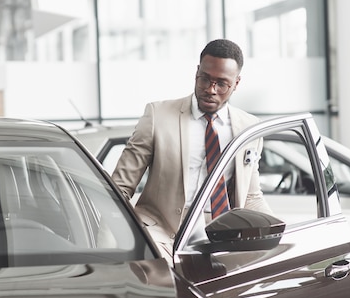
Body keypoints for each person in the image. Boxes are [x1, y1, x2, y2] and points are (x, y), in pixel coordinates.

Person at [112, 38, 271, 258]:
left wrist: (280, 236)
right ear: (197, 72)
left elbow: (251, 196)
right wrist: (113, 235)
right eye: (204, 79)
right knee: (168, 283)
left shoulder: (248, 128)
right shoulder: (158, 115)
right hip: (160, 232)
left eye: (221, 83)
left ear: (236, 83)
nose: (210, 90)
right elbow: (120, 187)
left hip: (221, 233)